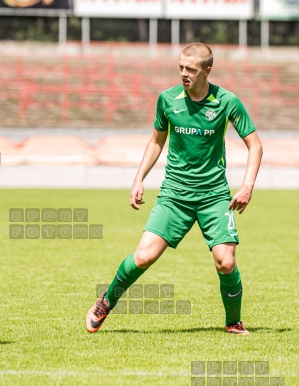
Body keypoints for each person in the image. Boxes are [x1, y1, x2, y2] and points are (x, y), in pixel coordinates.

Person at [86, 42, 263, 335]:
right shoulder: (167, 99)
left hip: (214, 196)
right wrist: (139, 178)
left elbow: (254, 145)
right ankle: (106, 301)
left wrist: (247, 185)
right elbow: (156, 140)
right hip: (174, 195)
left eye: (190, 69)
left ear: (207, 70)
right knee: (143, 257)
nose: (184, 74)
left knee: (226, 262)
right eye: (181, 67)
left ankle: (233, 322)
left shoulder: (227, 101)